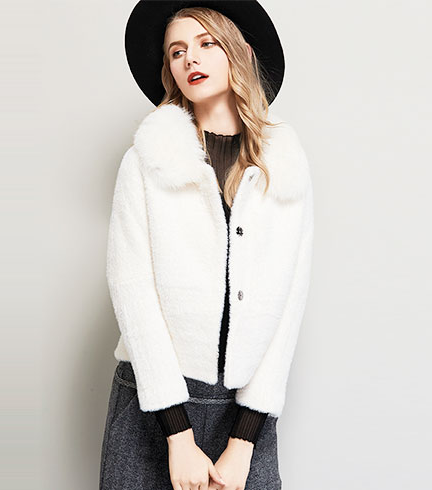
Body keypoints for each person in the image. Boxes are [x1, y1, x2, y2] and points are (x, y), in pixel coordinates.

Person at [99, 2, 314, 489]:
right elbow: (132, 289)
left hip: (246, 415)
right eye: (177, 51)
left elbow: (289, 305)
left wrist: (245, 440)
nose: (190, 58)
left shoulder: (286, 167)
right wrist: (178, 436)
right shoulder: (145, 162)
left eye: (206, 43)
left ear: (242, 52)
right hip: (153, 403)